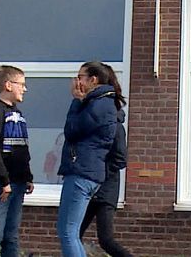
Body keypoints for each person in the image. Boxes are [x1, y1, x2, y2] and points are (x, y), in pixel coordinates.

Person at [56, 61, 122, 257]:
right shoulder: (100, 103)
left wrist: (76, 100)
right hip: (87, 172)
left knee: (68, 232)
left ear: (93, 80)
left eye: (80, 77)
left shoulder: (100, 104)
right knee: (68, 230)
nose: (76, 82)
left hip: (82, 172)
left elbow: (72, 130)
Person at [0, 65, 33, 257]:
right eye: (22, 84)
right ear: (8, 85)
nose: (24, 89)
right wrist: (4, 180)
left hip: (17, 182)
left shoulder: (18, 113)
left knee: (11, 235)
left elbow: (21, 148)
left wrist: (27, 176)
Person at [79, 65, 132, 257]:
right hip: (93, 186)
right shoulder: (92, 116)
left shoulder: (114, 124)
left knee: (105, 239)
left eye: (81, 77)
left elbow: (120, 158)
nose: (77, 82)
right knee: (74, 233)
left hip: (104, 188)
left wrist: (99, 172)